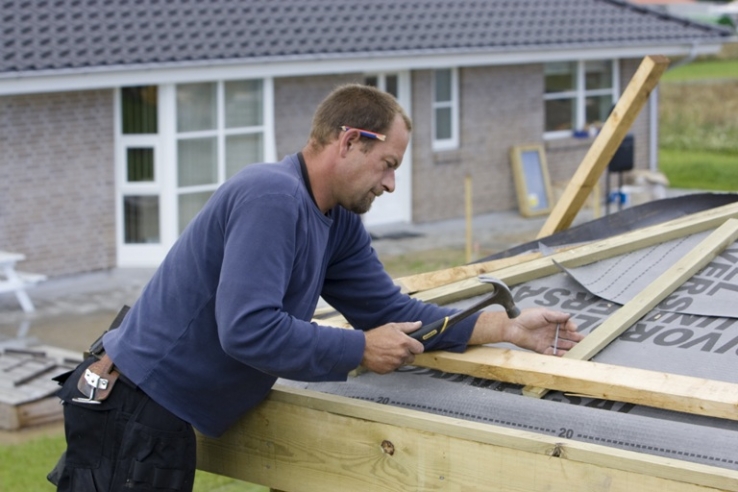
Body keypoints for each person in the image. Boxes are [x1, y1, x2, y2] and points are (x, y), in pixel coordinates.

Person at [49, 83, 582, 491]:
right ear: (350, 140)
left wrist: (506, 327)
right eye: (387, 164)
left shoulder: (336, 220)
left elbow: (389, 308)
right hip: (133, 408)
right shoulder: (271, 196)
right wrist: (358, 348)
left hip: (159, 415)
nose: (391, 183)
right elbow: (248, 331)